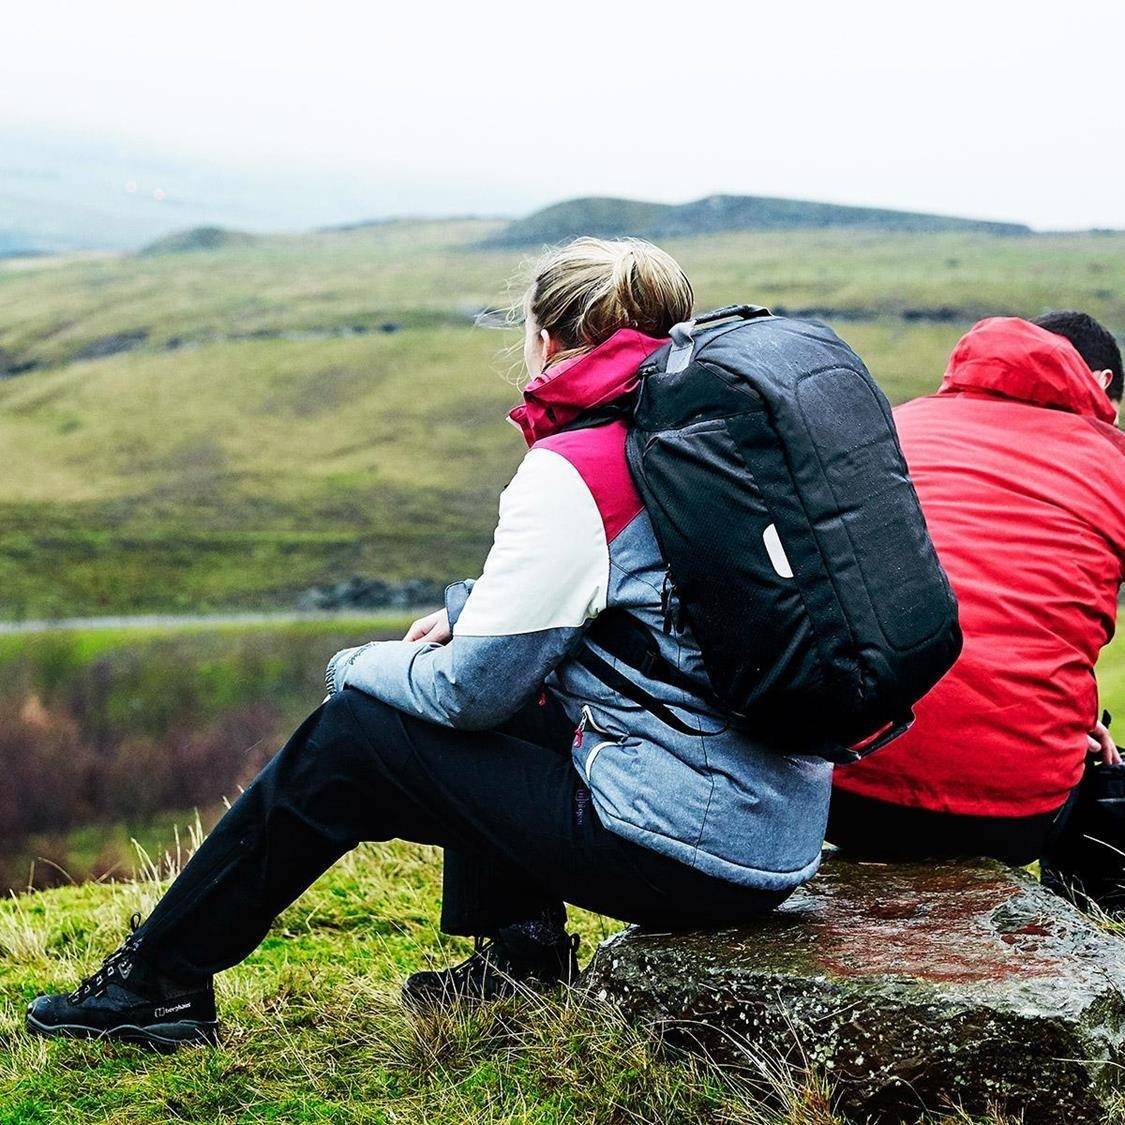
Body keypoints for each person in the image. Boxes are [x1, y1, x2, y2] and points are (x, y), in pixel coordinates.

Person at [27, 238, 831, 1048]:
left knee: (357, 735)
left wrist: (358, 666)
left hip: (684, 850)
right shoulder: (703, 440)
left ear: (545, 339)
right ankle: (522, 954)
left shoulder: (578, 467)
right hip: (770, 830)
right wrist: (475, 611)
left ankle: (154, 985)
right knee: (515, 681)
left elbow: (469, 692)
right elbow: (650, 599)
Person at [830, 311, 1125, 874]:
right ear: (1099, 384)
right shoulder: (1110, 458)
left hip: (840, 783)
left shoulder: (891, 426)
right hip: (1013, 816)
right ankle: (1087, 944)